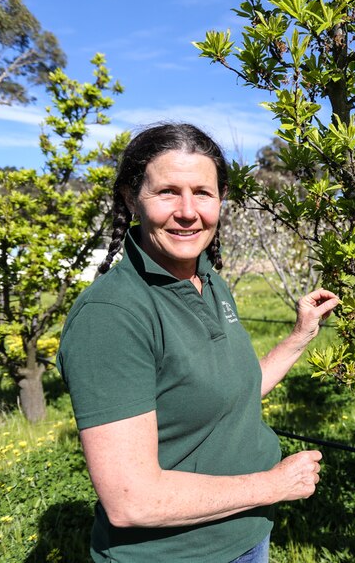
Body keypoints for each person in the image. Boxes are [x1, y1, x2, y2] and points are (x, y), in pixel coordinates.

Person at [57, 122, 339, 563]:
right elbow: (133, 500)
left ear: (221, 199)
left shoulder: (205, 279)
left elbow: (230, 391)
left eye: (203, 193)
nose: (188, 211)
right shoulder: (112, 317)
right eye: (168, 191)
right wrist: (275, 484)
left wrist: (300, 335)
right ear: (132, 199)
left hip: (244, 534)